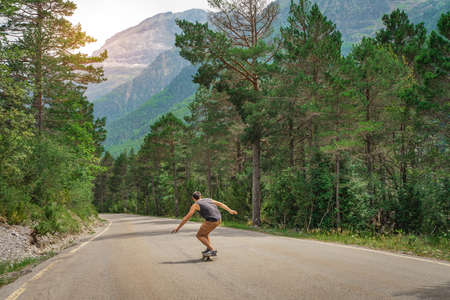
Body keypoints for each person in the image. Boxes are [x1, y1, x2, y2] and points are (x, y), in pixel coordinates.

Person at [171, 191, 238, 256]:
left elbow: (186, 218)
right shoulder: (208, 199)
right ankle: (208, 248)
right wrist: (230, 210)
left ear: (193, 198)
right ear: (201, 196)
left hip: (212, 221)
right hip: (219, 219)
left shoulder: (195, 205)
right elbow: (220, 204)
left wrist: (177, 228)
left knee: (199, 235)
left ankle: (212, 250)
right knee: (205, 233)